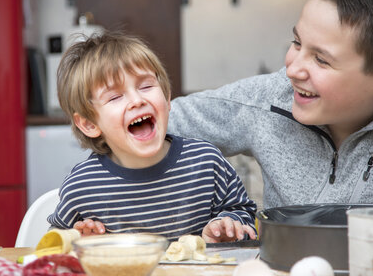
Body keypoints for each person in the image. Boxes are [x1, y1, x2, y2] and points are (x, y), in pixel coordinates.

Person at [168, 0, 373, 210]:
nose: (292, 70)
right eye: (297, 43)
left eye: (321, 60)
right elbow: (160, 120)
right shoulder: (267, 99)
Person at [47, 32, 257, 243]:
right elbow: (53, 242)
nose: (137, 100)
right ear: (89, 124)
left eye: (146, 86)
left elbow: (243, 212)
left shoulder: (207, 162)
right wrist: (79, 240)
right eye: (115, 97)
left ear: (166, 98)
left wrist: (227, 225)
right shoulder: (83, 185)